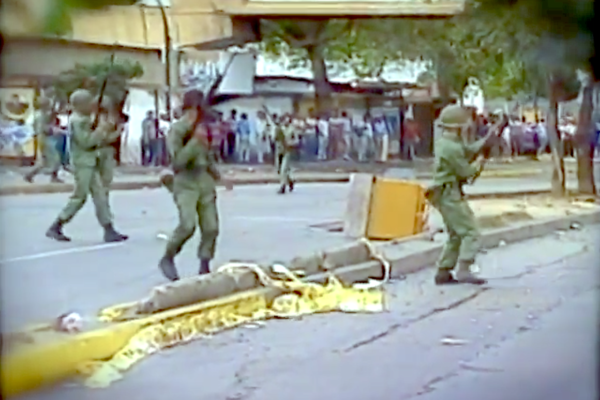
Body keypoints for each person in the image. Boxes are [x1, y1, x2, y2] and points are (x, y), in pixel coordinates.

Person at [427, 104, 501, 286]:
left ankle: (444, 271)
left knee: (455, 234)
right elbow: (466, 172)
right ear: (457, 126)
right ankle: (464, 269)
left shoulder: (449, 144)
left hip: (445, 193)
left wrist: (487, 139)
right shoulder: (450, 147)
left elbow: (468, 151)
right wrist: (481, 161)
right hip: (448, 194)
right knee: (470, 231)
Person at [45, 90, 128, 243]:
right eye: (89, 102)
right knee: (80, 197)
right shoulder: (78, 121)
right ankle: (56, 225)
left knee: (100, 196)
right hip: (83, 163)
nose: (92, 105)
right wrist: (102, 129)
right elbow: (87, 142)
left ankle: (109, 229)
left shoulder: (83, 119)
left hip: (89, 162)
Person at [158, 89, 223, 281]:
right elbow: (177, 162)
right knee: (188, 225)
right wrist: (195, 141)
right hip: (185, 182)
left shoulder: (202, 127)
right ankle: (168, 257)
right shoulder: (177, 130)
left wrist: (216, 173)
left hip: (204, 181)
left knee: (211, 227)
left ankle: (204, 264)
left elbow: (207, 155)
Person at [24, 96, 63, 183]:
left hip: (42, 138)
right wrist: (53, 130)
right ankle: (53, 177)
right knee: (55, 158)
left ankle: (30, 175)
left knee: (47, 161)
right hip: (44, 138)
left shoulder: (39, 114)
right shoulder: (41, 115)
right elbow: (43, 128)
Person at [274, 114, 297, 194]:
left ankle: (282, 186)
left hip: (287, 151)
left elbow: (296, 140)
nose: (285, 122)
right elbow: (275, 139)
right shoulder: (279, 128)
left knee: (283, 169)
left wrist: (290, 143)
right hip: (279, 150)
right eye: (284, 120)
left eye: (287, 120)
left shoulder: (292, 129)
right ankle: (290, 181)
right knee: (279, 170)